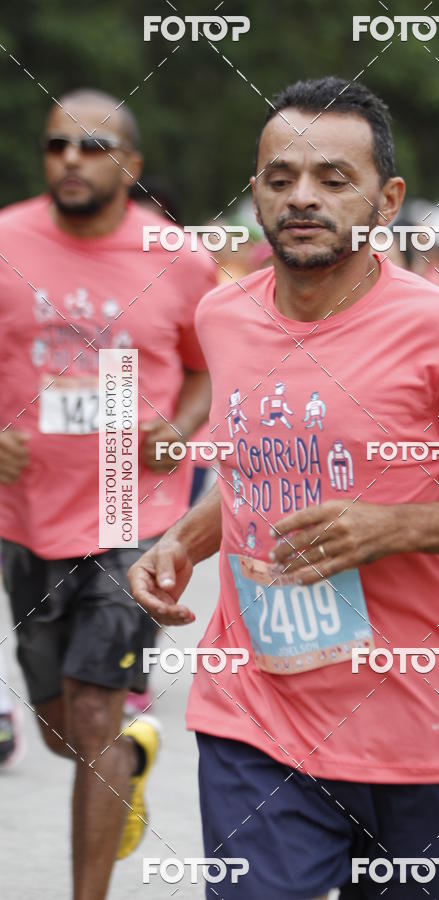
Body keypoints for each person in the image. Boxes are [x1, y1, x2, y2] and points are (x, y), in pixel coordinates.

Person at [129, 77, 439, 900]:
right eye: (279, 178)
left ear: (387, 201)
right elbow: (255, 463)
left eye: (332, 179)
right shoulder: (223, 316)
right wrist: (182, 540)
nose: (301, 197)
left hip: (414, 730)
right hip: (251, 715)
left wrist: (393, 528)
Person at [0, 89, 215, 899]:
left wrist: (183, 424)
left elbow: (204, 365)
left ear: (130, 164)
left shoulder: (178, 258)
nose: (71, 161)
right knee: (64, 730)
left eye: (92, 147)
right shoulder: (5, 239)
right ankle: (132, 755)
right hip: (23, 516)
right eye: (57, 146)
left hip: (134, 513)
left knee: (93, 714)